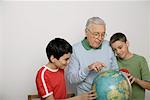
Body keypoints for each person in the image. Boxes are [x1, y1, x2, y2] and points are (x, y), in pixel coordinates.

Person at [66, 17, 119, 95]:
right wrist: (88, 68)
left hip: (107, 94)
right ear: (86, 32)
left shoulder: (108, 46)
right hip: (86, 96)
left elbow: (116, 70)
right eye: (96, 34)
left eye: (103, 34)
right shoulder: (75, 49)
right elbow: (71, 79)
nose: (100, 38)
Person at [109, 32, 150, 100]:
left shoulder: (140, 60)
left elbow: (149, 86)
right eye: (115, 50)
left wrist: (136, 80)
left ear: (127, 43)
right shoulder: (113, 61)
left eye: (120, 47)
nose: (118, 52)